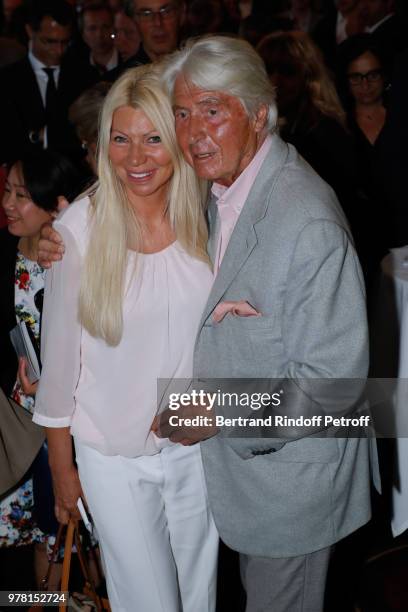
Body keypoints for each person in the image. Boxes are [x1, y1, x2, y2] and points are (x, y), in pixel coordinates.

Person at [39, 36, 378, 612]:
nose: (195, 132)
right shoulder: (210, 195)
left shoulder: (286, 218)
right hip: (170, 460)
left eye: (213, 112)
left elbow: (337, 391)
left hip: (276, 475)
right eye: (184, 114)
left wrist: (217, 410)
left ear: (259, 114)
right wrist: (47, 243)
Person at [33, 65, 218, 612]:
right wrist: (62, 471)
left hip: (196, 449)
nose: (136, 158)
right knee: (149, 603)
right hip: (112, 457)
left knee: (199, 598)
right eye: (121, 139)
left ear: (178, 138)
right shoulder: (76, 233)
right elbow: (59, 368)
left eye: (153, 138)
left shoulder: (207, 214)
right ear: (102, 143)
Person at [0, 150, 80, 589]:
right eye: (8, 191)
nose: (9, 203)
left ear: (57, 205)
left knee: (66, 541)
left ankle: (67, 599)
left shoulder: (75, 259)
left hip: (68, 424)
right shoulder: (7, 254)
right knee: (39, 539)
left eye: (22, 195)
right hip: (17, 423)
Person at [0, 0, 97, 164]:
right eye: (49, 41)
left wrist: (40, 136)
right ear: (30, 31)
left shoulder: (86, 77)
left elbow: (91, 133)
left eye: (65, 42)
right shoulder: (6, 81)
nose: (58, 50)